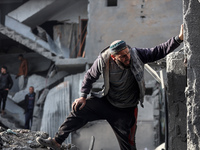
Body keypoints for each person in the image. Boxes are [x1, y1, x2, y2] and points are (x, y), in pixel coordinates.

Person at [36, 25, 184, 150]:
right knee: (79, 109)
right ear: (114, 57)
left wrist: (179, 39)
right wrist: (82, 96)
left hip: (126, 110)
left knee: (129, 145)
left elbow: (158, 51)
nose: (128, 58)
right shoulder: (104, 60)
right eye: (123, 57)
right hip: (107, 103)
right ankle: (57, 141)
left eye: (127, 53)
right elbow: (89, 76)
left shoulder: (136, 54)